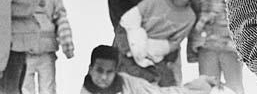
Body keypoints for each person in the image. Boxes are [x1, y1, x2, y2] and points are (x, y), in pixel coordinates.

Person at [119, 0, 201, 77]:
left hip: (157, 56)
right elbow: (131, 19)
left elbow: (173, 43)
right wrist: (137, 46)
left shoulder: (190, 17)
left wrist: (152, 50)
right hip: (133, 45)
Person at [23, 0, 75, 94]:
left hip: (47, 53)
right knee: (25, 89)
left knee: (48, 88)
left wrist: (67, 44)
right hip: (25, 52)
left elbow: (61, 20)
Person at [81, 45, 216, 94]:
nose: (104, 77)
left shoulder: (129, 84)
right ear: (90, 69)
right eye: (99, 71)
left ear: (115, 71)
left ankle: (202, 85)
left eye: (109, 72)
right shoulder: (87, 91)